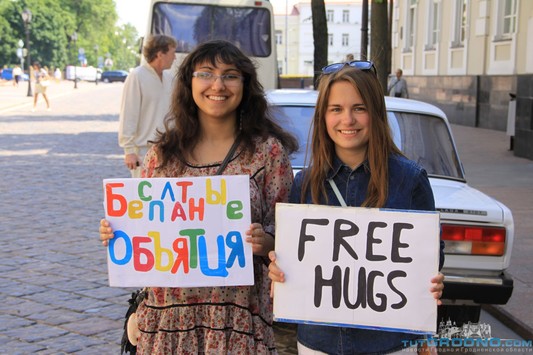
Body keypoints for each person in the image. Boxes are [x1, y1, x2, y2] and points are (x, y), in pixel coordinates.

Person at [100, 39, 298, 354]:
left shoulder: (268, 153)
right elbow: (145, 234)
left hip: (238, 323)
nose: (217, 84)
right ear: (188, 82)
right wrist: (117, 231)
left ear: (245, 85)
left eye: (230, 75)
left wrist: (268, 243)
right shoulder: (161, 156)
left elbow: (290, 238)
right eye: (206, 73)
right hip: (168, 322)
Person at [268, 62, 444, 355]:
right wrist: (279, 269)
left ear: (375, 113)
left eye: (359, 108)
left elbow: (431, 256)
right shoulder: (305, 182)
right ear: (323, 116)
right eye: (336, 109)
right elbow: (292, 257)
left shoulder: (410, 179)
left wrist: (434, 281)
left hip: (389, 344)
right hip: (318, 344)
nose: (347, 119)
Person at [118, 34, 178, 178]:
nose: (175, 57)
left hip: (170, 150)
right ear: (160, 54)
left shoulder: (170, 79)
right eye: (172, 53)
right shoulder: (137, 76)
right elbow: (128, 114)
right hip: (144, 151)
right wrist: (129, 151)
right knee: (146, 196)